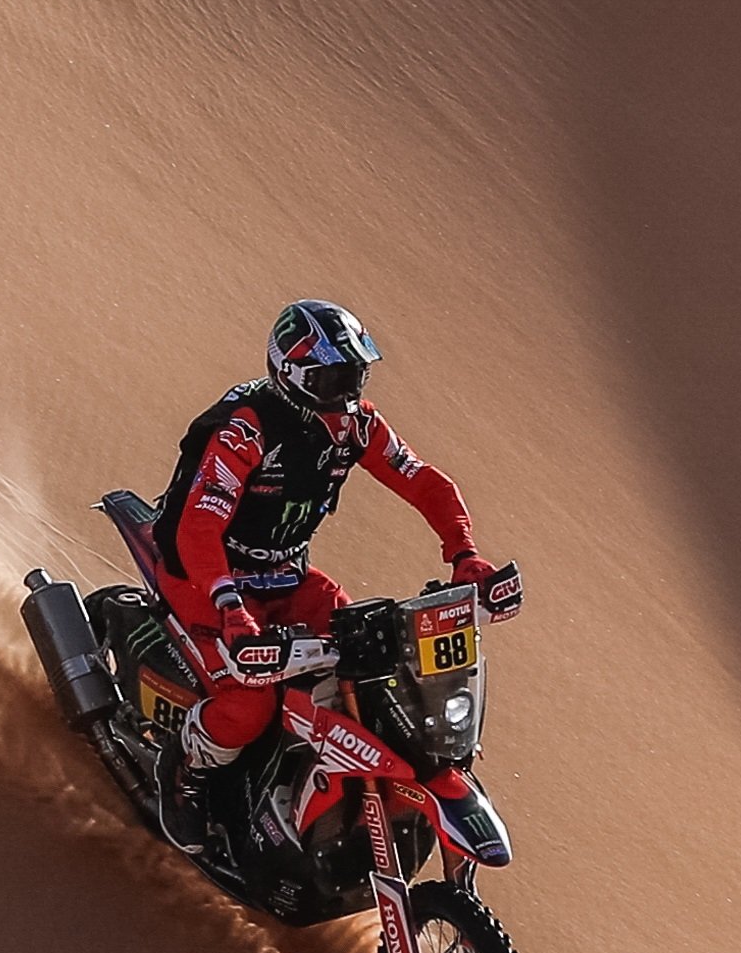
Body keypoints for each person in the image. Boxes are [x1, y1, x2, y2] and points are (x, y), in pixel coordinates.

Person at [159, 298, 520, 851]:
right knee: (250, 700)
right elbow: (197, 529)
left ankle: (308, 789)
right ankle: (186, 770)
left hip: (284, 575)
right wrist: (229, 604)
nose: (347, 393)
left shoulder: (355, 426)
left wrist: (464, 554)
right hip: (204, 578)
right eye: (333, 378)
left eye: (354, 376)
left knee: (365, 664)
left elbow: (426, 483)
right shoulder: (247, 430)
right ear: (292, 374)